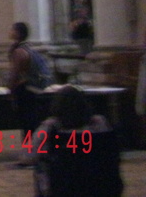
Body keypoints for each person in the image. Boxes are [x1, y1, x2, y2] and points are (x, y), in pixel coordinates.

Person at [33, 85, 122, 196]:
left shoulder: (51, 127)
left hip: (64, 188)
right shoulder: (101, 123)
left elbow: (30, 155)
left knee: (41, 165)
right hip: (102, 186)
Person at [8, 21, 41, 167]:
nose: (10, 31)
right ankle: (31, 153)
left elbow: (14, 73)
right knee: (30, 123)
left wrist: (10, 88)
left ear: (18, 33)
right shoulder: (28, 48)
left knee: (27, 124)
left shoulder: (19, 51)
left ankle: (28, 155)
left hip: (23, 91)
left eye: (12, 29)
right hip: (30, 90)